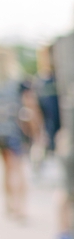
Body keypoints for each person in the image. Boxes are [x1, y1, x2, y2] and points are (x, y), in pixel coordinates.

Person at [0, 48, 30, 222]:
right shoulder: (16, 82)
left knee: (6, 168)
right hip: (13, 130)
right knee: (17, 168)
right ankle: (20, 207)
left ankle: (10, 204)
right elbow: (28, 105)